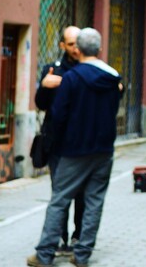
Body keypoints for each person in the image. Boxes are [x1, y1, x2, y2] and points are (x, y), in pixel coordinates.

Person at [27, 28, 122, 267]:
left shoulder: (71, 78)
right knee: (94, 202)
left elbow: (58, 115)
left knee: (59, 200)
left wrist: (56, 145)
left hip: (73, 151)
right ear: (99, 49)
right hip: (103, 151)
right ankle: (82, 255)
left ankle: (44, 254)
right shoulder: (113, 78)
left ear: (78, 49)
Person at [35, 25, 85, 254]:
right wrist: (45, 87)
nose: (76, 48)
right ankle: (59, 237)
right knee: (60, 193)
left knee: (82, 194)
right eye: (71, 43)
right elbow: (41, 103)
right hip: (57, 143)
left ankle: (77, 237)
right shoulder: (52, 70)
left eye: (79, 43)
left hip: (83, 143)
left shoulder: (90, 68)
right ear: (63, 45)